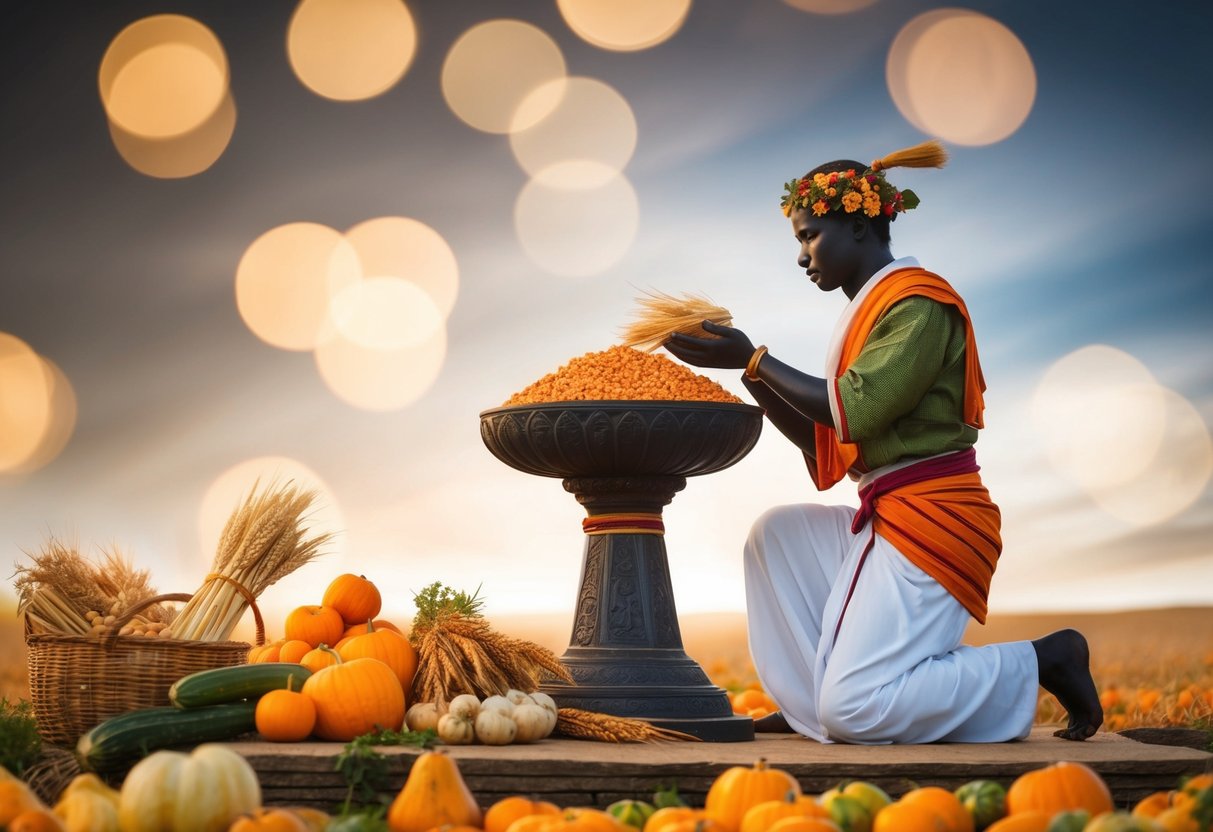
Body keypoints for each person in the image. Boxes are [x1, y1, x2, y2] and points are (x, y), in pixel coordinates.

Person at [664, 140, 1103, 744]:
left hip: (934, 521)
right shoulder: (873, 311)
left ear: (860, 226)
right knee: (776, 536)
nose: (801, 256)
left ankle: (1040, 660)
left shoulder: (918, 303)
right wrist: (746, 371)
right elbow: (826, 440)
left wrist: (755, 357)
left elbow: (857, 409)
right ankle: (807, 713)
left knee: (858, 710)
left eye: (810, 235)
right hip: (893, 513)